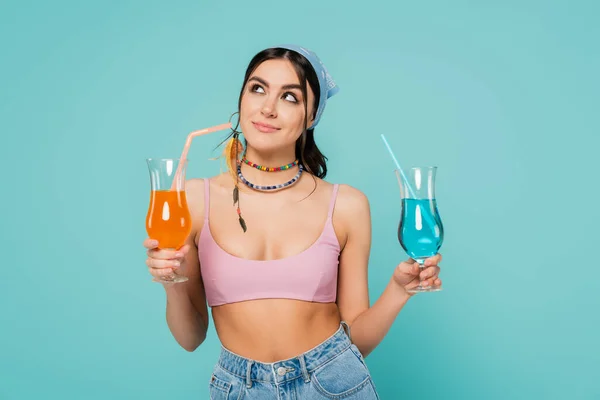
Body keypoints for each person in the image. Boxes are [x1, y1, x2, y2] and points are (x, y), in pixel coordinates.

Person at [143, 44, 442, 399]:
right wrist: (171, 282)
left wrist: (399, 289)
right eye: (258, 89)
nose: (267, 108)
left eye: (289, 97)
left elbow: (357, 340)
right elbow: (190, 338)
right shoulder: (192, 200)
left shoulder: (346, 205)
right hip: (240, 388)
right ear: (241, 98)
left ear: (311, 116)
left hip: (334, 384)